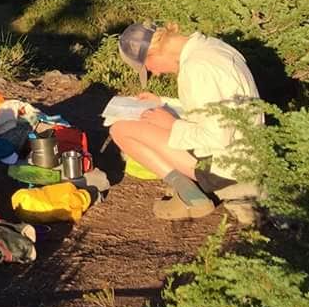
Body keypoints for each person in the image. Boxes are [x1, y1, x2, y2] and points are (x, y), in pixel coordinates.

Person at [109, 22, 261, 220]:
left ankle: (190, 195)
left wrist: (172, 124)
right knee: (146, 120)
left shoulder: (197, 69)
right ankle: (191, 189)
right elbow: (212, 107)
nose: (156, 73)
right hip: (245, 152)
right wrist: (162, 102)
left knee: (120, 129)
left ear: (152, 54)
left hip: (225, 166)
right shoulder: (210, 48)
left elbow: (216, 137)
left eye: (149, 68)